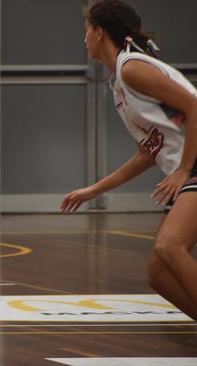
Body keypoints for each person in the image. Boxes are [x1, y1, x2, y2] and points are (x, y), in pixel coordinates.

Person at [61, 0, 197, 320]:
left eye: (85, 31)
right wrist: (94, 190)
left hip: (193, 166)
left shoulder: (132, 67)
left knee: (169, 247)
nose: (83, 39)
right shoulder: (119, 83)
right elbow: (148, 153)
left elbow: (194, 106)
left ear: (98, 32)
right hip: (187, 169)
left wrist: (183, 170)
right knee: (159, 275)